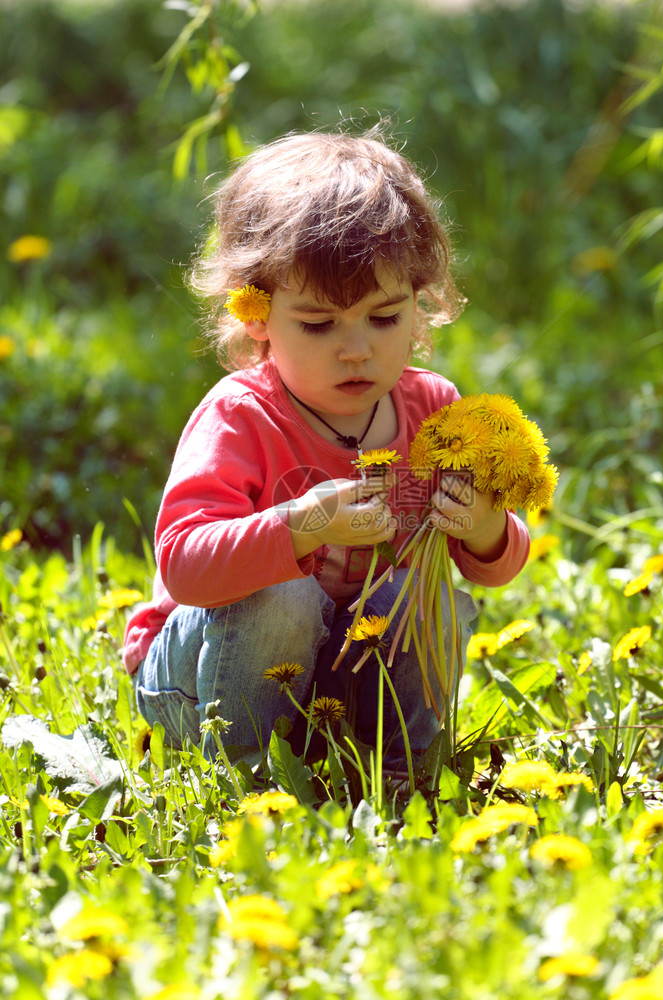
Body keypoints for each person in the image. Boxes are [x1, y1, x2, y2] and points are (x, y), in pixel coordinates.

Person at [123, 128, 530, 768]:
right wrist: (304, 523)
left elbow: (494, 566)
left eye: (385, 316)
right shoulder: (241, 415)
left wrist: (483, 526)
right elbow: (183, 564)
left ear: (418, 303)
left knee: (430, 602)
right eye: (318, 324)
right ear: (257, 314)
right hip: (197, 680)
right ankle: (252, 769)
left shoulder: (431, 410)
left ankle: (397, 761)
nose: (356, 348)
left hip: (332, 678)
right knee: (281, 594)